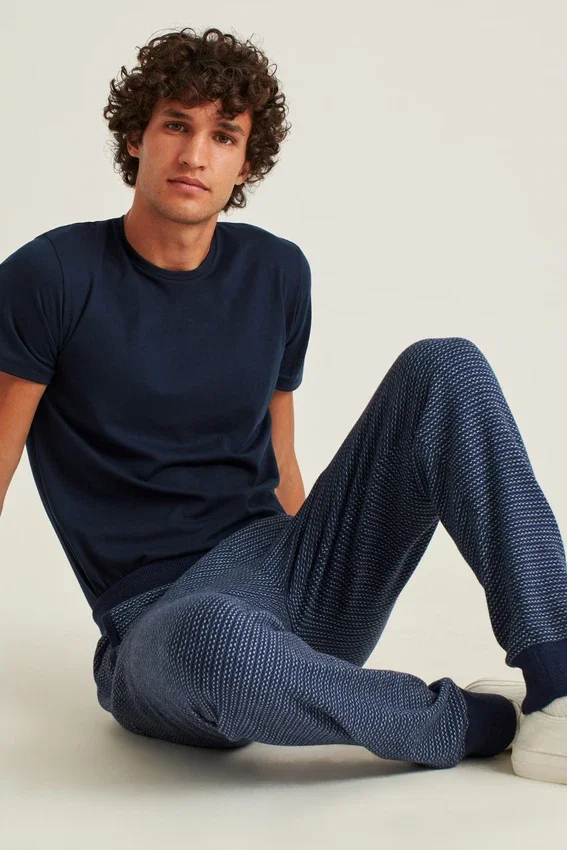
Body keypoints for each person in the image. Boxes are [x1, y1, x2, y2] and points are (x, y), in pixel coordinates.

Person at [1, 26, 567, 785]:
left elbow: (281, 458)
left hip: (291, 569)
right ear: (136, 137)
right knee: (217, 640)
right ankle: (477, 721)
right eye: (176, 125)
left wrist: (314, 583)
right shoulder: (51, 276)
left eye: (223, 136)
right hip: (162, 625)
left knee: (446, 367)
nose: (195, 154)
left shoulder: (275, 271)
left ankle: (558, 681)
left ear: (245, 163)